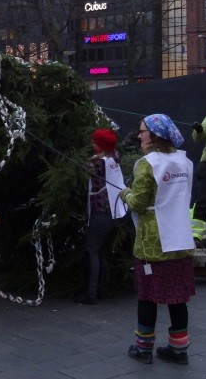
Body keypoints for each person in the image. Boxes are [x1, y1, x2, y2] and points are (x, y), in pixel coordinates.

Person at [121, 114, 195, 365]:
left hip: (153, 239)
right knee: (177, 295)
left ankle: (143, 348)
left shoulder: (146, 163)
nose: (139, 135)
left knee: (148, 294)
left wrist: (125, 193)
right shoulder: (184, 161)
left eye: (142, 131)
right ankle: (178, 349)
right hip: (181, 235)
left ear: (154, 135)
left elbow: (139, 202)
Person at [75, 128, 127, 305]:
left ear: (101, 145)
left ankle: (91, 294)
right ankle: (101, 290)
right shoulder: (114, 157)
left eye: (94, 142)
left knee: (92, 249)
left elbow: (80, 167)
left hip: (102, 212)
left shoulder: (98, 164)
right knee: (102, 250)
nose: (91, 144)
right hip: (115, 211)